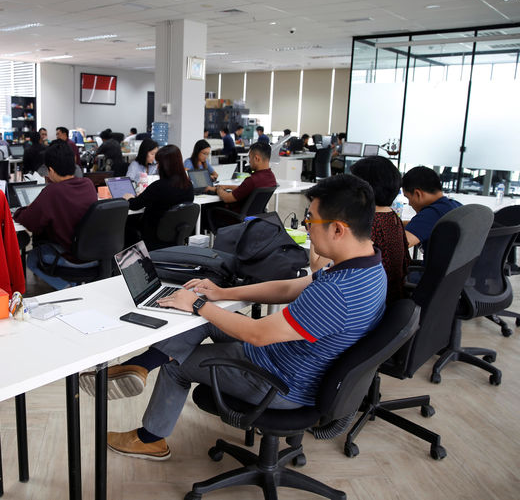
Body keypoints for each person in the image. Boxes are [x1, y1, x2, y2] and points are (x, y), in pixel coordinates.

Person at [79, 174, 386, 460]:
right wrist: (219, 294)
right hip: (290, 360)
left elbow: (258, 334)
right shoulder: (368, 267)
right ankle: (140, 367)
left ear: (337, 229)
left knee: (179, 363)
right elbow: (289, 288)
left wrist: (198, 305)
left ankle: (150, 438)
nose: (306, 226)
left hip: (281, 382)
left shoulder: (337, 293)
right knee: (207, 315)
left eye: (310, 219)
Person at [311, 157, 409, 303]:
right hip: (390, 301)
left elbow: (316, 265)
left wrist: (314, 225)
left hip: (366, 303)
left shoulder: (364, 223)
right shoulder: (393, 216)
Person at [14, 141, 95, 287]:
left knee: (32, 259)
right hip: (94, 255)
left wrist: (22, 210)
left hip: (70, 257)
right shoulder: (88, 184)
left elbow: (29, 222)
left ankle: (68, 288)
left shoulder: (52, 192)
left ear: (50, 170)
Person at [124, 145, 194, 250]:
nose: (157, 167)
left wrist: (128, 198)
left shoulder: (159, 186)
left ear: (165, 165)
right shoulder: (188, 185)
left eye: (159, 163)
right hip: (174, 234)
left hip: (153, 235)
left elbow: (134, 205)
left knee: (126, 226)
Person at [403, 166, 461, 253]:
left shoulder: (431, 213)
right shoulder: (454, 205)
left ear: (418, 194)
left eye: (408, 198)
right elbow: (422, 225)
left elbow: (397, 246)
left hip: (435, 266)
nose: (409, 203)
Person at [206, 141, 276, 211]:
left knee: (207, 208)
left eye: (250, 158)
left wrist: (218, 189)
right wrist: (227, 186)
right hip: (254, 216)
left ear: (256, 158)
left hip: (233, 216)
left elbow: (227, 198)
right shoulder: (271, 177)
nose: (249, 161)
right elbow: (245, 189)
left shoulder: (252, 180)